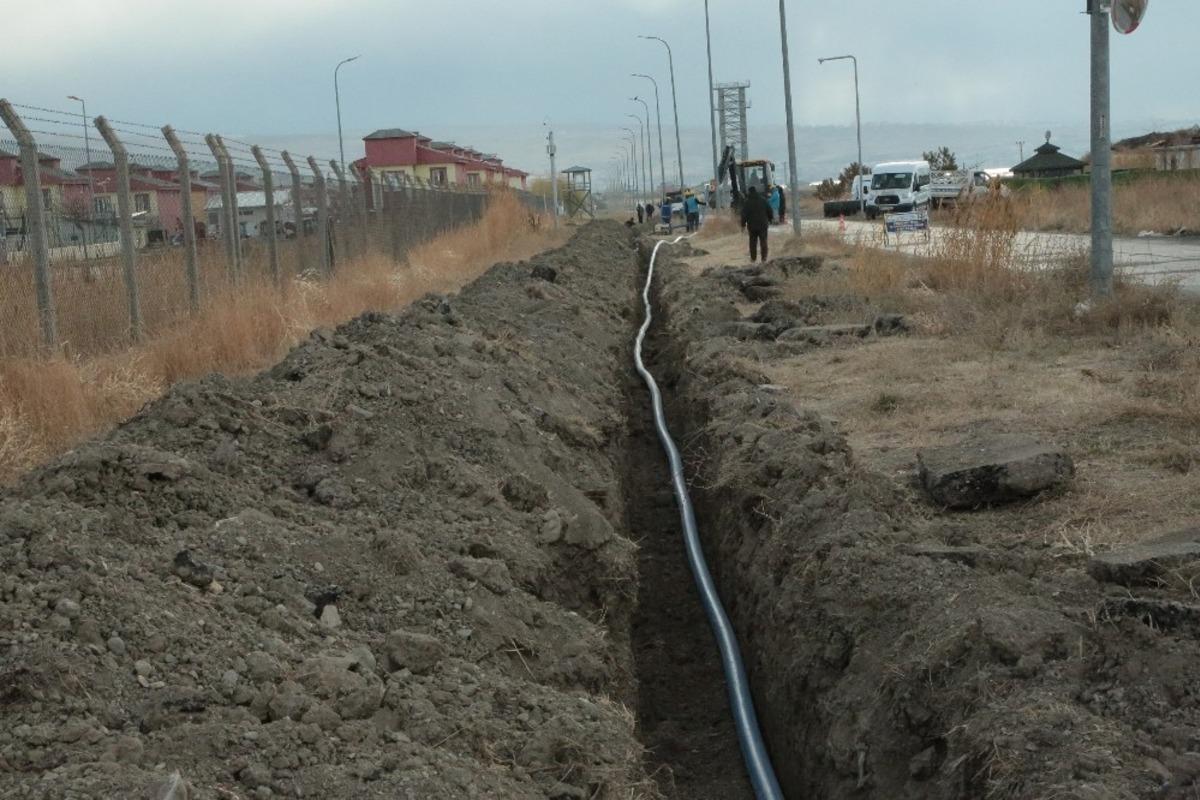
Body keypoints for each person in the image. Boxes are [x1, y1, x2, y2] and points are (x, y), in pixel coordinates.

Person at [740, 186, 771, 263]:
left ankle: (753, 258)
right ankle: (764, 258)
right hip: (763, 224)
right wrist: (770, 219)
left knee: (753, 242)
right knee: (763, 241)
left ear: (749, 192)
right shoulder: (763, 200)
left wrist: (743, 225)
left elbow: (744, 215)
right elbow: (769, 210)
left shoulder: (747, 202)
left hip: (752, 226)